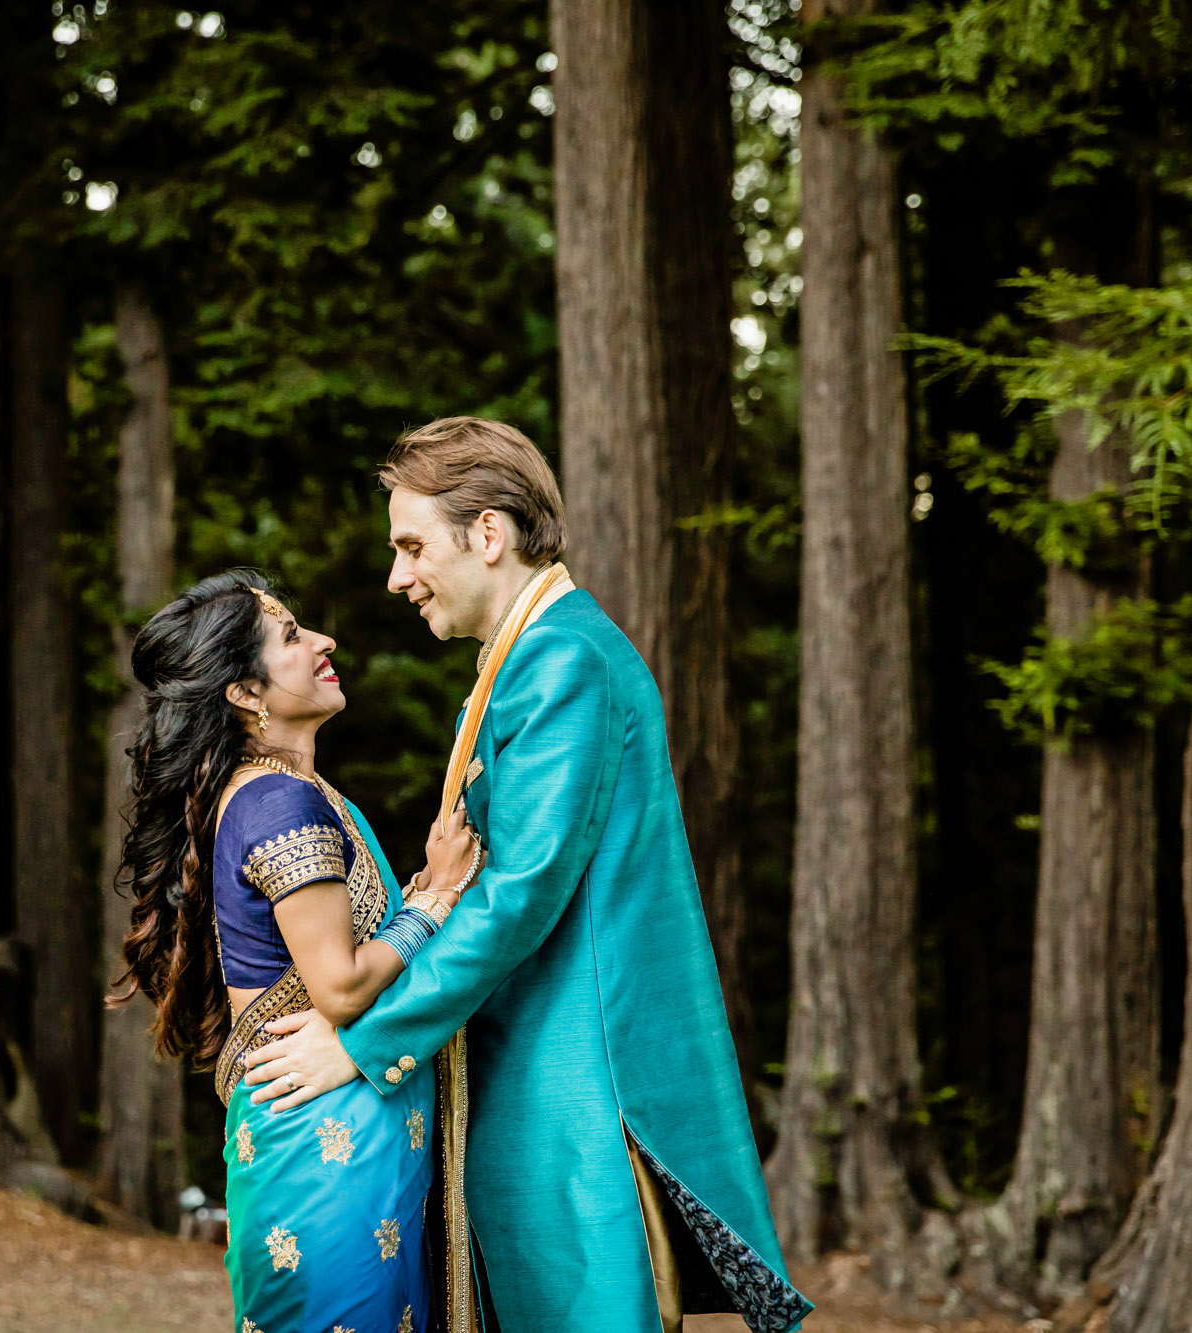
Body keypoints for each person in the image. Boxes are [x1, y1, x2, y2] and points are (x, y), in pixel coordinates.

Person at [242, 418, 813, 1333]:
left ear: (490, 534)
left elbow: (521, 891)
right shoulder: (525, 656)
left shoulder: (563, 660)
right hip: (537, 1075)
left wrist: (361, 1041)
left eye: (412, 545)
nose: (396, 576)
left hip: (575, 1086)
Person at [107, 569, 480, 1333]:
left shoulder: (279, 789)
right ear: (244, 693)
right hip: (324, 1142)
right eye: (290, 636)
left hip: (336, 1128)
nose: (322, 641)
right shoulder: (280, 800)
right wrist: (434, 901)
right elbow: (339, 988)